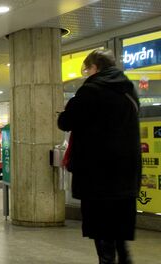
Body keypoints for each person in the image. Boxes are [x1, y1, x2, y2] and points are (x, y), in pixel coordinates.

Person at [57, 49, 141, 264]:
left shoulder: (91, 91)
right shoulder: (129, 90)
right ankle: (124, 257)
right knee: (120, 219)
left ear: (95, 67)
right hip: (126, 169)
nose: (86, 73)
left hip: (97, 170)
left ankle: (106, 260)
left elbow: (65, 122)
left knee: (101, 222)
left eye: (87, 69)